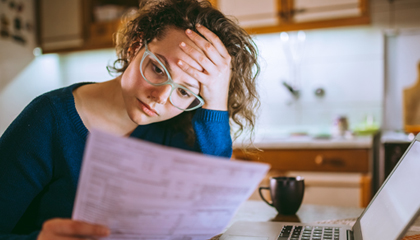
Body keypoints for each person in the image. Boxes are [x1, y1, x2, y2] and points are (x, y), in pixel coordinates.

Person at [0, 0, 260, 239]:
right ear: (136, 46)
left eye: (184, 91)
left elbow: (210, 207)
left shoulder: (176, 131)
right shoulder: (48, 119)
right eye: (158, 68)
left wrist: (216, 104)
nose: (160, 97)